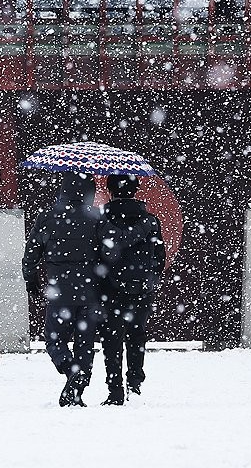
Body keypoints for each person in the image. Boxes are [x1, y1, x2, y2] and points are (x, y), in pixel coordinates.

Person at [24, 169, 103, 407]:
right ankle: (78, 387)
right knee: (85, 342)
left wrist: (30, 278)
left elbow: (32, 253)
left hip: (59, 287)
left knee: (54, 339)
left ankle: (70, 371)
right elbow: (108, 253)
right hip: (91, 288)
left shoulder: (48, 217)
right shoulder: (97, 217)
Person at [96, 174, 165, 406]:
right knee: (137, 334)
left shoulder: (102, 221)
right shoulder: (151, 221)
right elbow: (160, 258)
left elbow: (94, 257)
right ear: (136, 190)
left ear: (110, 191)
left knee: (111, 339)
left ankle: (115, 389)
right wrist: (149, 278)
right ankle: (134, 382)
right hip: (141, 288)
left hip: (109, 289)